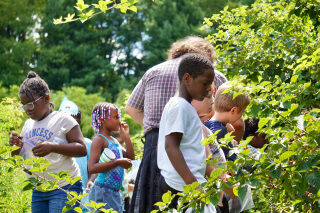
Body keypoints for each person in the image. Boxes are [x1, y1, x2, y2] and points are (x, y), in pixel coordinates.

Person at [126, 35, 227, 213]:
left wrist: (162, 129)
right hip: (187, 154)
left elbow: (131, 109)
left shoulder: (153, 71)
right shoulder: (210, 76)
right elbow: (228, 110)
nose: (207, 90)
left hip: (155, 146)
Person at [9, 71, 87, 213]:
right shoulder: (27, 125)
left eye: (31, 104)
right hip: (39, 189)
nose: (27, 109)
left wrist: (53, 147)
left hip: (64, 186)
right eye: (23, 105)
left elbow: (82, 149)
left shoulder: (63, 119)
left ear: (46, 98)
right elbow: (19, 156)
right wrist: (15, 146)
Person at [157, 53, 215, 210]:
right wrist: (193, 185)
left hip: (184, 182)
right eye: (205, 83)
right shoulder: (180, 106)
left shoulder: (184, 106)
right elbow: (170, 146)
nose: (208, 89)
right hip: (182, 184)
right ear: (187, 78)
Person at [88, 102, 135, 213]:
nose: (119, 120)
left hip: (114, 192)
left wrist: (126, 136)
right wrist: (117, 163)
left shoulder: (114, 141)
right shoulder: (99, 139)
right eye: (115, 117)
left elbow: (130, 159)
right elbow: (92, 167)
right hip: (102, 190)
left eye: (119, 117)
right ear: (102, 119)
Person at [58, 97, 97, 211]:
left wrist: (90, 180)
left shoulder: (88, 144)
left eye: (71, 120)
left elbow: (93, 170)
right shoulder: (55, 144)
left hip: (82, 195)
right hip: (59, 193)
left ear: (78, 122)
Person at [204, 82, 251, 162]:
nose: (240, 116)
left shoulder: (208, 123)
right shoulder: (218, 131)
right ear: (234, 110)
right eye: (242, 112)